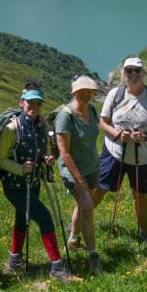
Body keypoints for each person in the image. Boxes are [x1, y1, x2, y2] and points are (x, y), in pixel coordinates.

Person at [0, 82, 73, 281]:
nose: (34, 107)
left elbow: (46, 149)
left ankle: (15, 261)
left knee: (22, 218)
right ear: (21, 103)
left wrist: (47, 159)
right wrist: (20, 169)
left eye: (38, 104)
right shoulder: (13, 128)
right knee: (45, 218)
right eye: (30, 103)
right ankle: (57, 266)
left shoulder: (42, 124)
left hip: (34, 182)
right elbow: (1, 159)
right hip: (14, 185)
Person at [96, 57, 147, 244]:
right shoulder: (115, 94)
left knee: (140, 194)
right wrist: (119, 135)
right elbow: (103, 122)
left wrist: (145, 137)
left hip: (143, 156)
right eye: (129, 71)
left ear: (143, 73)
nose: (133, 74)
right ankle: (77, 226)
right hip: (114, 152)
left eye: (137, 71)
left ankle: (143, 232)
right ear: (124, 74)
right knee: (100, 189)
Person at [56, 74, 103, 275]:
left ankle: (74, 239)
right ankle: (93, 255)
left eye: (89, 93)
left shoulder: (92, 110)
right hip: (73, 170)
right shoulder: (66, 116)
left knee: (84, 205)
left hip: (92, 166)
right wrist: (79, 179)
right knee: (87, 206)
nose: (85, 97)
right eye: (81, 93)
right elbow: (64, 152)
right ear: (74, 93)